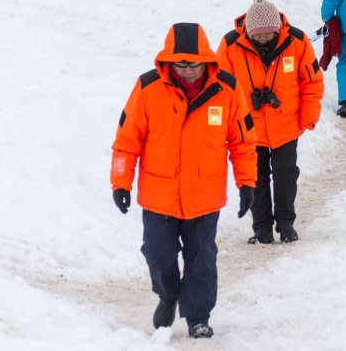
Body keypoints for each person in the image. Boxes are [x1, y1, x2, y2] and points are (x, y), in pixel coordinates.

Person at [110, 23, 257, 339]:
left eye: (194, 63)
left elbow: (243, 141)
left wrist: (247, 183)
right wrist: (120, 182)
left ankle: (198, 316)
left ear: (206, 59)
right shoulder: (148, 88)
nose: (188, 70)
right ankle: (168, 293)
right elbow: (126, 140)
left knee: (201, 257)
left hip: (204, 195)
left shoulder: (228, 89)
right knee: (157, 253)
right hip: (159, 194)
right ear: (168, 61)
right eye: (180, 63)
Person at [216, 0, 323, 245]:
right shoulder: (230, 45)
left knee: (286, 174)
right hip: (249, 127)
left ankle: (286, 223)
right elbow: (220, 89)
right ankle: (261, 228)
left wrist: (308, 118)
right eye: (258, 36)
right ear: (249, 32)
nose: (263, 39)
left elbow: (312, 82)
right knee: (256, 177)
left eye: (268, 35)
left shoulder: (296, 41)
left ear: (277, 29)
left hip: (286, 125)